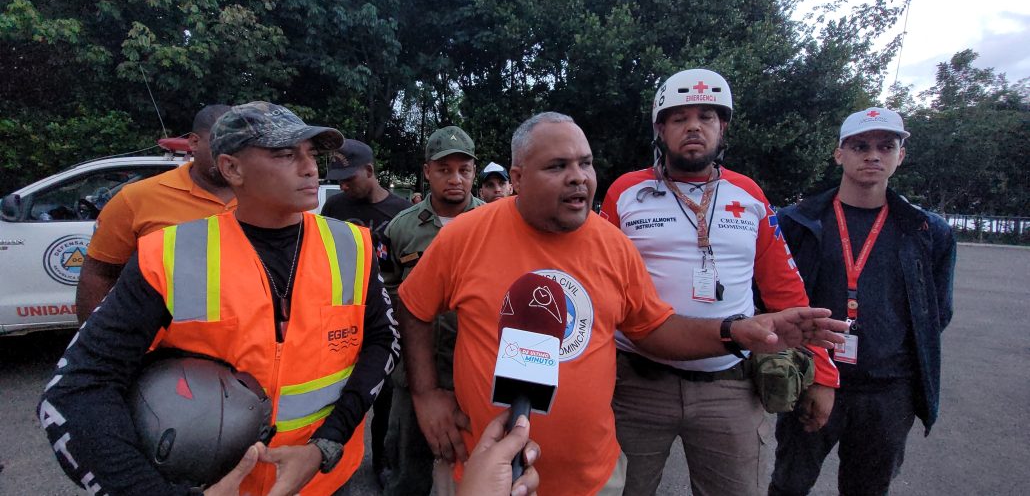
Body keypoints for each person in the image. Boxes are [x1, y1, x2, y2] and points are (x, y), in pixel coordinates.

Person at [395, 112, 847, 495]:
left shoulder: (612, 245)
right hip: (483, 476)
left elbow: (652, 328)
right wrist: (426, 393)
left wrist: (732, 332)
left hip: (593, 477)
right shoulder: (464, 236)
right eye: (557, 166)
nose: (579, 177)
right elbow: (415, 307)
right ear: (516, 178)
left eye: (585, 163)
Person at [39, 102, 400, 496]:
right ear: (232, 168)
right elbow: (76, 390)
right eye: (285, 154)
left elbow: (384, 341)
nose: (310, 167)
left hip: (324, 480)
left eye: (312, 154)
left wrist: (325, 445)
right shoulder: (170, 255)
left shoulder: (352, 244)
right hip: (211, 484)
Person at [600, 68, 839, 495]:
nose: (694, 126)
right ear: (660, 128)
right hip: (636, 385)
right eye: (679, 118)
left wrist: (821, 373)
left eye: (707, 116)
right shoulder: (626, 192)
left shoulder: (749, 194)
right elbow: (600, 286)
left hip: (730, 385)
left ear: (722, 127)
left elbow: (786, 290)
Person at [768, 108, 957, 496]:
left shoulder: (926, 230)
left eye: (886, 146)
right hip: (811, 380)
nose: (873, 155)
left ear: (900, 155)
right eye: (860, 146)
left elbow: (935, 314)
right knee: (789, 485)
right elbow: (772, 298)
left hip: (888, 391)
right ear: (839, 154)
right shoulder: (797, 222)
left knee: (868, 489)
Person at [381, 125, 484, 496]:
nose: (455, 179)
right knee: (409, 469)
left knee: (472, 466)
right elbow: (385, 290)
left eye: (464, 170)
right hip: (414, 373)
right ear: (427, 172)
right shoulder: (401, 229)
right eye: (444, 170)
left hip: (473, 371)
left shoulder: (494, 224)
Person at [76, 104, 237, 323]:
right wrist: (95, 344)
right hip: (167, 349)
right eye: (222, 143)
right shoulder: (135, 199)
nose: (232, 155)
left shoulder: (269, 198)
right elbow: (99, 275)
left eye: (242, 145)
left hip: (253, 346)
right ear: (194, 142)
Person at [321, 138, 410, 486]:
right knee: (337, 387)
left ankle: (382, 461)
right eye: (338, 178)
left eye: (349, 177)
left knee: (384, 391)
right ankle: (332, 452)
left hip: (382, 310)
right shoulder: (335, 207)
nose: (343, 185)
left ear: (370, 171)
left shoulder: (401, 212)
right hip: (340, 310)